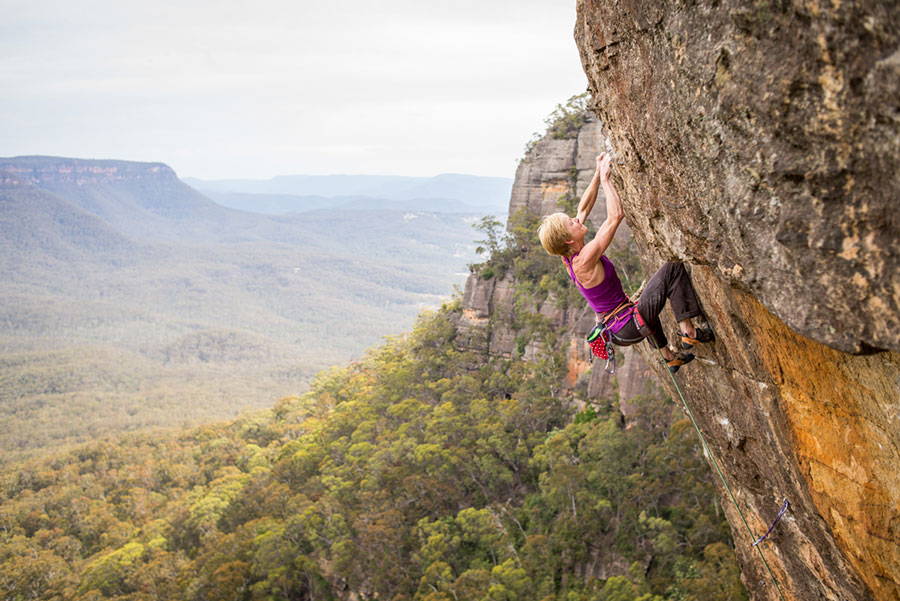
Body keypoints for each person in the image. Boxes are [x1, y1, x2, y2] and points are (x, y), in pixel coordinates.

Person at [536, 153, 714, 372]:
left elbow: (583, 209)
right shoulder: (584, 261)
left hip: (620, 326)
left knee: (643, 305)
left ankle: (669, 357)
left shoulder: (569, 256)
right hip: (627, 325)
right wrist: (606, 180)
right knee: (673, 268)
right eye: (571, 223)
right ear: (568, 239)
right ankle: (689, 332)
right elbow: (615, 217)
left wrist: (596, 173)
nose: (575, 219)